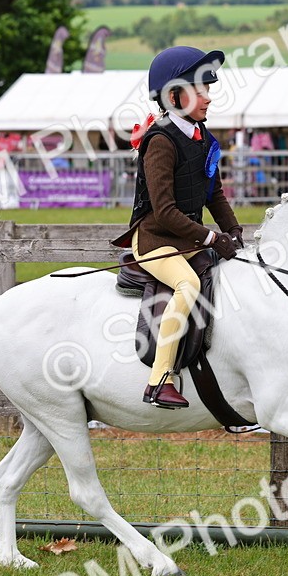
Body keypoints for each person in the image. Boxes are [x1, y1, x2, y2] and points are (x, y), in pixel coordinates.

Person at [112, 46, 244, 409]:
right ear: (174, 96)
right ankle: (159, 380)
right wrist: (211, 238)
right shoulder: (160, 142)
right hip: (156, 240)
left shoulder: (202, 136)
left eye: (208, 89)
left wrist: (234, 232)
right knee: (188, 285)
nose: (208, 97)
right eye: (199, 90)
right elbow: (166, 211)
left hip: (186, 239)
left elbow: (214, 195)